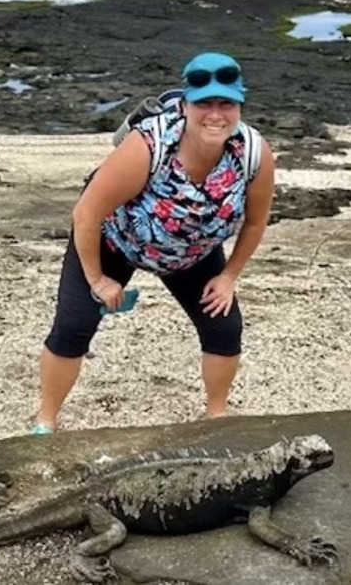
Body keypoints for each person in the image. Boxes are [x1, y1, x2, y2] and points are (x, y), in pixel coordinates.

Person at [32, 51, 276, 435]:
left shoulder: (253, 153)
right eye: (204, 103)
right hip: (114, 241)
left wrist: (229, 276)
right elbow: (86, 215)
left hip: (191, 252)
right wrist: (98, 281)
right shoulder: (150, 146)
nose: (216, 114)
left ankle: (217, 419)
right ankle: (45, 422)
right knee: (74, 326)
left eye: (226, 103)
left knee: (224, 327)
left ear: (239, 105)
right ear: (185, 105)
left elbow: (258, 220)